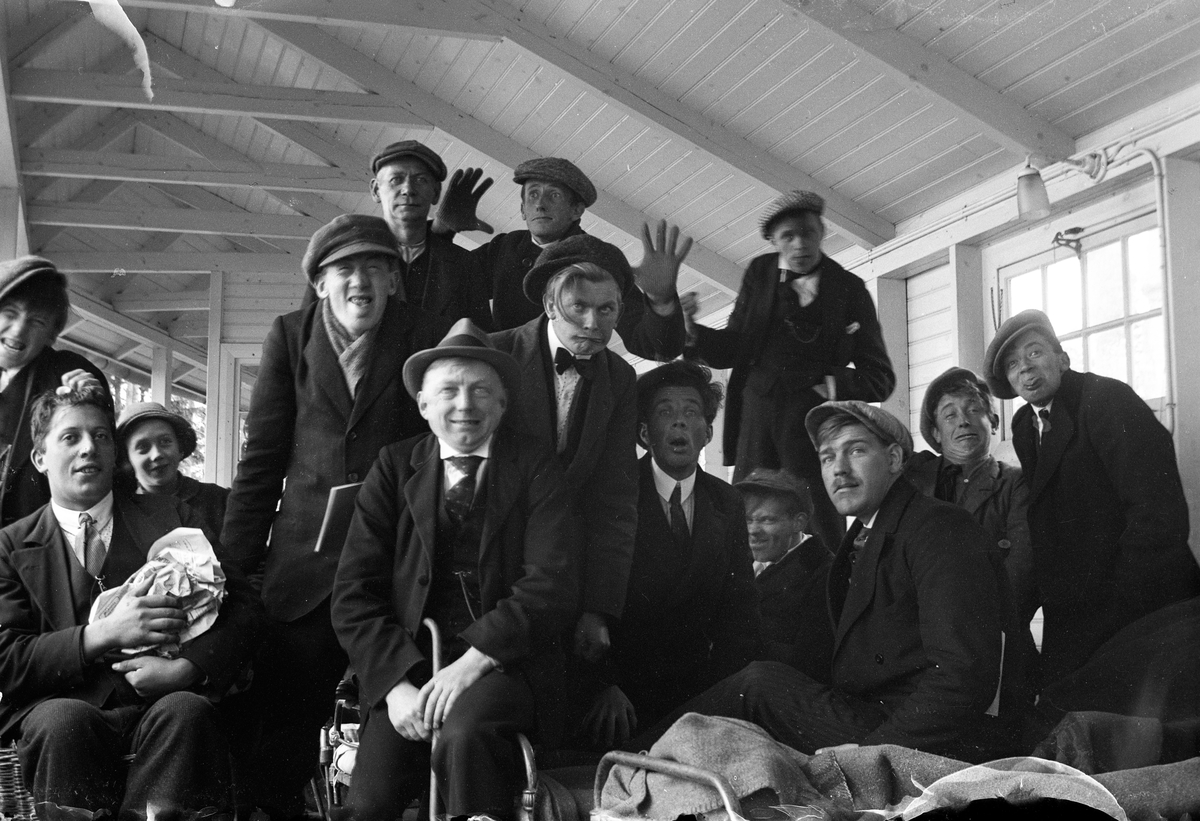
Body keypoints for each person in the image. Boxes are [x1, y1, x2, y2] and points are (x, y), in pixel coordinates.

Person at [220, 214, 450, 817]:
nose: (360, 281)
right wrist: (233, 577)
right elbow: (261, 463)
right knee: (278, 748)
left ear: (395, 280)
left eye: (375, 267)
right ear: (320, 283)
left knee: (393, 746)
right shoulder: (289, 336)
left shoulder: (425, 336)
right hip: (303, 577)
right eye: (344, 269)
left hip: (393, 575)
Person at [628, 401, 1003, 762]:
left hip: (924, 735)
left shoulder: (938, 527)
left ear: (893, 459)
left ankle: (624, 762)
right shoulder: (867, 535)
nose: (839, 469)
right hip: (878, 717)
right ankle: (634, 758)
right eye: (827, 457)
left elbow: (963, 674)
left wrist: (873, 750)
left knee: (758, 684)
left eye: (855, 450)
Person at [331, 319, 578, 821]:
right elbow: (353, 592)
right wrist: (395, 688)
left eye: (481, 391)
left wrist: (474, 663)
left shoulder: (535, 465)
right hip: (409, 669)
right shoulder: (394, 466)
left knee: (464, 737)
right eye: (449, 391)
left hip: (505, 664)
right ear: (424, 404)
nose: (465, 404)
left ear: (502, 404)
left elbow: (551, 582)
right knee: (369, 803)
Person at [0, 385, 260, 818]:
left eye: (101, 436)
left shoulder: (171, 516)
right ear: (40, 457)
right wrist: (103, 634)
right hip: (60, 711)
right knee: (62, 720)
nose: (89, 448)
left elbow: (245, 607)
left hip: (160, 704)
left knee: (187, 711)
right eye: (71, 437)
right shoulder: (9, 546)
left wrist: (189, 667)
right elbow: (7, 658)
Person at [983, 310, 1200, 722]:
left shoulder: (1107, 400)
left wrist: (1119, 601)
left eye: (1034, 352)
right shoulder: (1026, 425)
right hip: (1076, 606)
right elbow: (1048, 519)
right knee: (1058, 718)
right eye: (1012, 364)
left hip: (1143, 601)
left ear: (1062, 358)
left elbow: (1157, 513)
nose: (1025, 368)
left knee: (1139, 728)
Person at [680, 191, 895, 550]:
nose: (799, 244)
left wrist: (830, 385)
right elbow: (735, 347)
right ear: (773, 241)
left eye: (807, 233)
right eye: (787, 236)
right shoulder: (759, 274)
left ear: (822, 232)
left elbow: (881, 377)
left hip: (814, 432)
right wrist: (690, 332)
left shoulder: (850, 289)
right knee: (746, 523)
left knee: (820, 531)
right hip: (756, 423)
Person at [578, 360, 760, 747]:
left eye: (691, 412)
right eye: (665, 412)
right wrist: (601, 684)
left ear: (707, 433)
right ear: (645, 433)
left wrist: (728, 693)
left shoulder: (727, 501)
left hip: (701, 693)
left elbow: (740, 608)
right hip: (621, 696)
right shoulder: (612, 490)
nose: (679, 422)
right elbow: (584, 602)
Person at [488, 235, 639, 668]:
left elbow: (615, 499)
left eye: (606, 310)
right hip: (487, 563)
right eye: (579, 307)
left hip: (564, 575)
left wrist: (598, 609)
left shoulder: (621, 378)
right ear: (551, 305)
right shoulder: (493, 352)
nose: (593, 323)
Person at [432, 157, 691, 360]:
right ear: (522, 210)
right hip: (504, 370)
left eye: (554, 195)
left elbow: (653, 348)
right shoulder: (506, 247)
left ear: (576, 210)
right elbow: (442, 286)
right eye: (533, 194)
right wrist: (442, 232)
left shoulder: (600, 259)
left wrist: (662, 299)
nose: (540, 205)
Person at [904, 367, 1037, 750]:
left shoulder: (1016, 484)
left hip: (994, 652)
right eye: (949, 414)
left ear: (993, 422)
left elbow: (1022, 574)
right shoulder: (913, 488)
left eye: (974, 410)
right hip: (915, 651)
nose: (963, 421)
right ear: (935, 433)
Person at [0, 256, 111, 527]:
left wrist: (95, 404)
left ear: (52, 334)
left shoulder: (66, 373)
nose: (18, 330)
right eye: (10, 313)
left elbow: (104, 458)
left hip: (36, 539)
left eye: (36, 321)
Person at [367, 140, 492, 328]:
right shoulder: (352, 257)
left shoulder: (466, 264)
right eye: (396, 179)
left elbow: (483, 337)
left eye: (421, 180)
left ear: (436, 192)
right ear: (376, 190)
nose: (408, 189)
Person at [737, 468, 832, 673]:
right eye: (747, 520)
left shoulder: (825, 574)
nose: (753, 531)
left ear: (799, 523)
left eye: (767, 520)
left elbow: (813, 661)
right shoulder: (740, 561)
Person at [115, 401, 229, 537]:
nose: (157, 454)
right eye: (143, 447)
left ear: (180, 449)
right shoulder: (120, 515)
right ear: (127, 460)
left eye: (165, 441)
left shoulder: (220, 501)